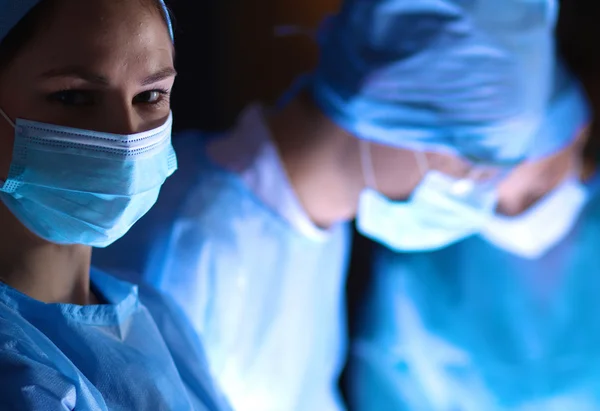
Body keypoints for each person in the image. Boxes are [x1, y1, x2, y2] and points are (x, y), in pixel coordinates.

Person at [93, 1, 574, 410]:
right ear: (404, 118)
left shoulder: (312, 222)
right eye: (478, 170)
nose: (480, 197)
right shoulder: (190, 253)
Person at [328, 1, 600, 409]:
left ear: (579, 129)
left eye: (536, 189)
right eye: (493, 203)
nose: (517, 219)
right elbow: (387, 383)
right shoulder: (428, 257)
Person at [0, 1, 230, 409]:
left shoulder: (154, 314)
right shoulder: (16, 376)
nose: (126, 137)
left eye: (151, 95)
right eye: (73, 96)